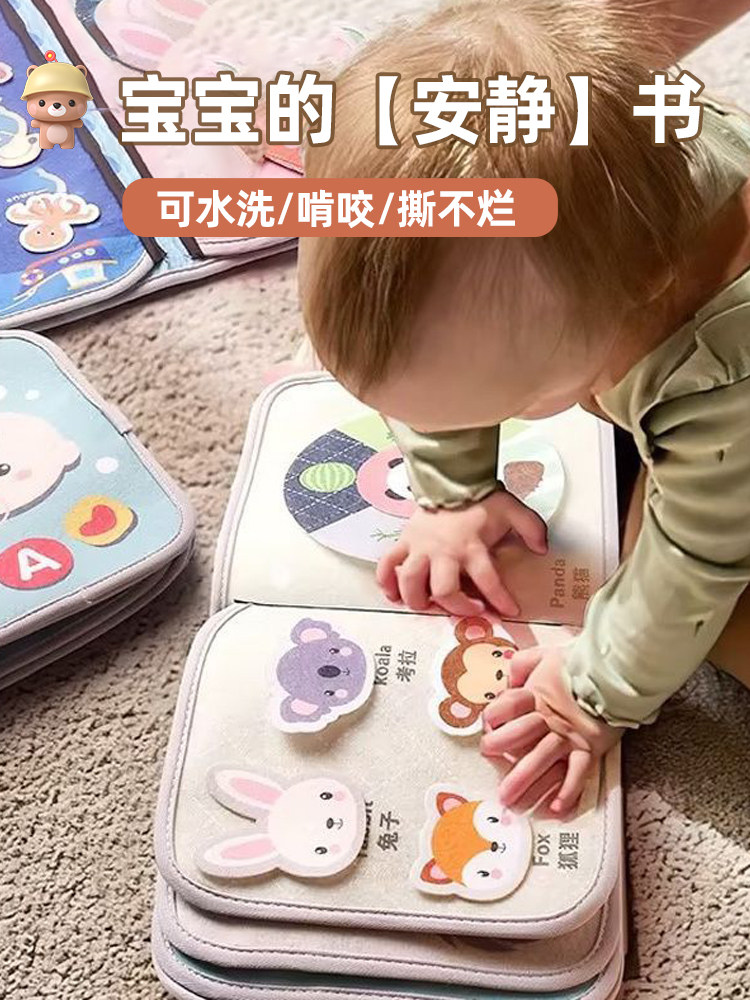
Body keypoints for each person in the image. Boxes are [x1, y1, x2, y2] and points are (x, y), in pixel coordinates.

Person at [298, 0, 750, 814]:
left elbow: (696, 563)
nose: (441, 426)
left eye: (512, 404)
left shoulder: (721, 390)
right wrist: (453, 490)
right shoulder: (613, 154)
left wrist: (595, 690)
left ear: (637, 294)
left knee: (716, 625)